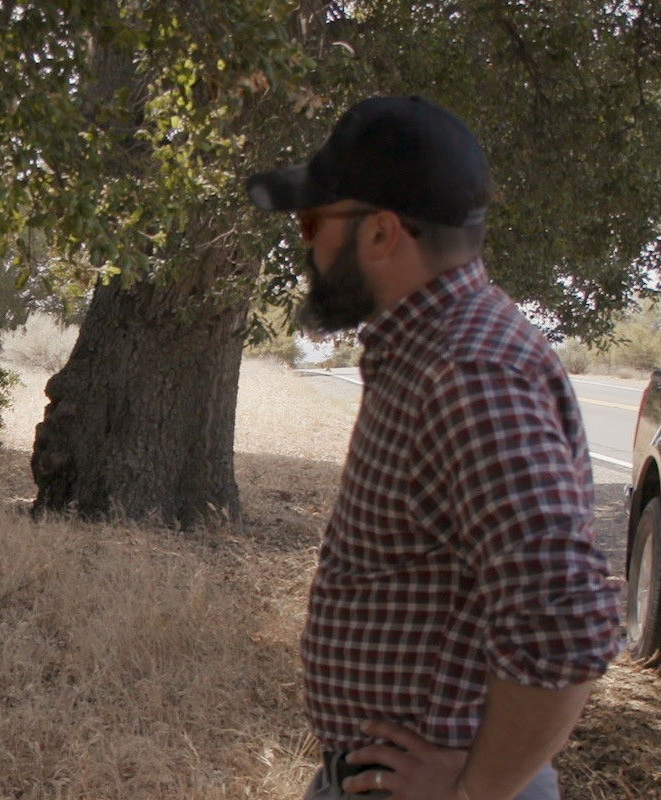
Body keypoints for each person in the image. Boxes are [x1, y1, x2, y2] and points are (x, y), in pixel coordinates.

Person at [245, 96, 621, 800]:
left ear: (383, 233)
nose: (306, 244)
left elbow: (566, 616)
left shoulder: (465, 373)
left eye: (311, 221)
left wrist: (476, 791)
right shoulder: (433, 350)